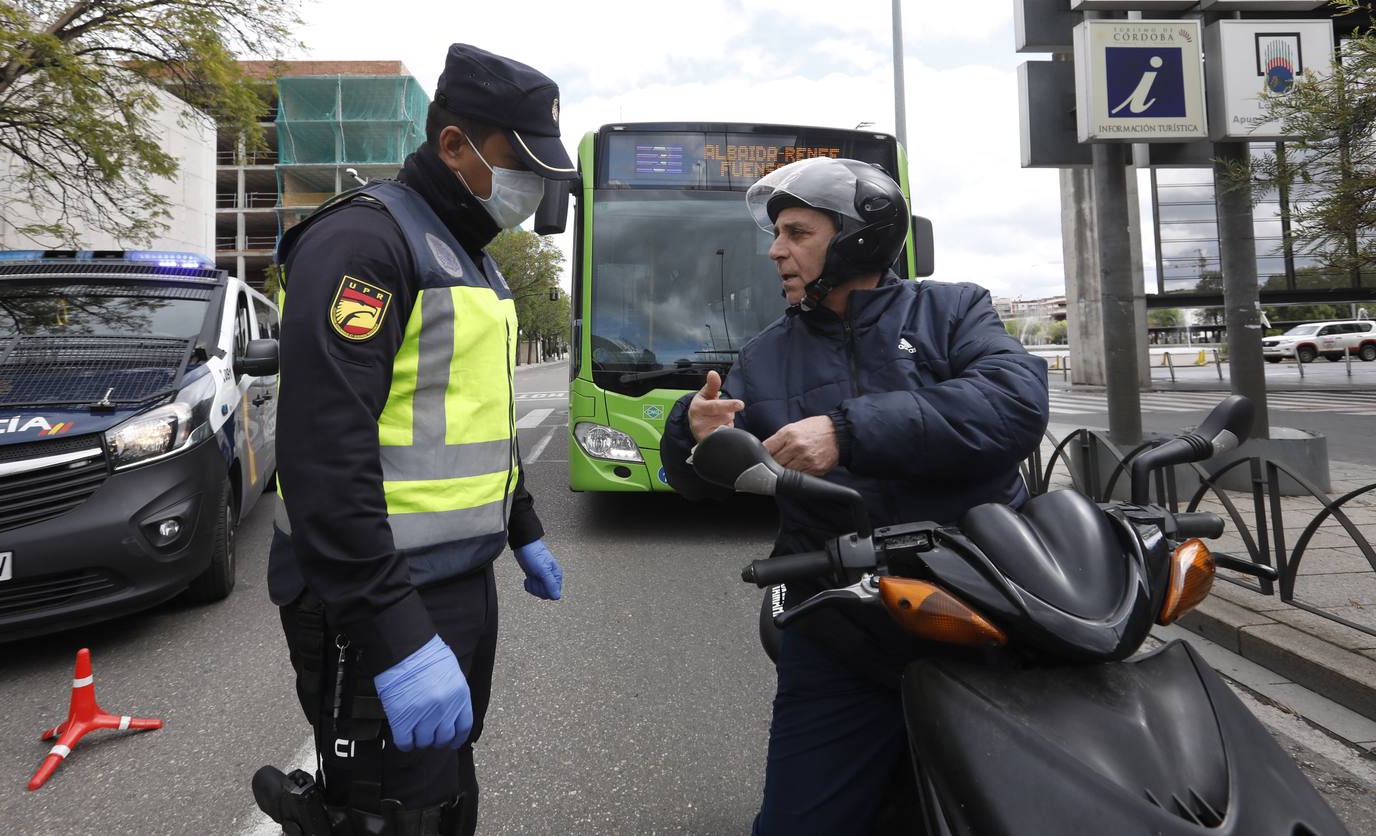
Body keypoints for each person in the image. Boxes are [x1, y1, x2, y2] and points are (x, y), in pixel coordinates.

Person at [659, 156, 1049, 835]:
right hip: (842, 628)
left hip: (984, 610)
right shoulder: (763, 357)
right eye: (776, 234)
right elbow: (696, 480)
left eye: (796, 232)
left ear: (859, 236)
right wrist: (688, 435)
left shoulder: (952, 310)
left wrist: (848, 431)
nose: (775, 249)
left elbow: (1015, 404)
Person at [264, 44, 575, 836]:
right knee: (392, 813)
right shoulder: (366, 244)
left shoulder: (466, 254)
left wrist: (522, 525)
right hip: (373, 592)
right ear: (453, 146)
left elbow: (472, 412)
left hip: (455, 581)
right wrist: (395, 631)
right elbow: (322, 458)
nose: (533, 186)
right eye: (520, 163)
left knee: (444, 791)